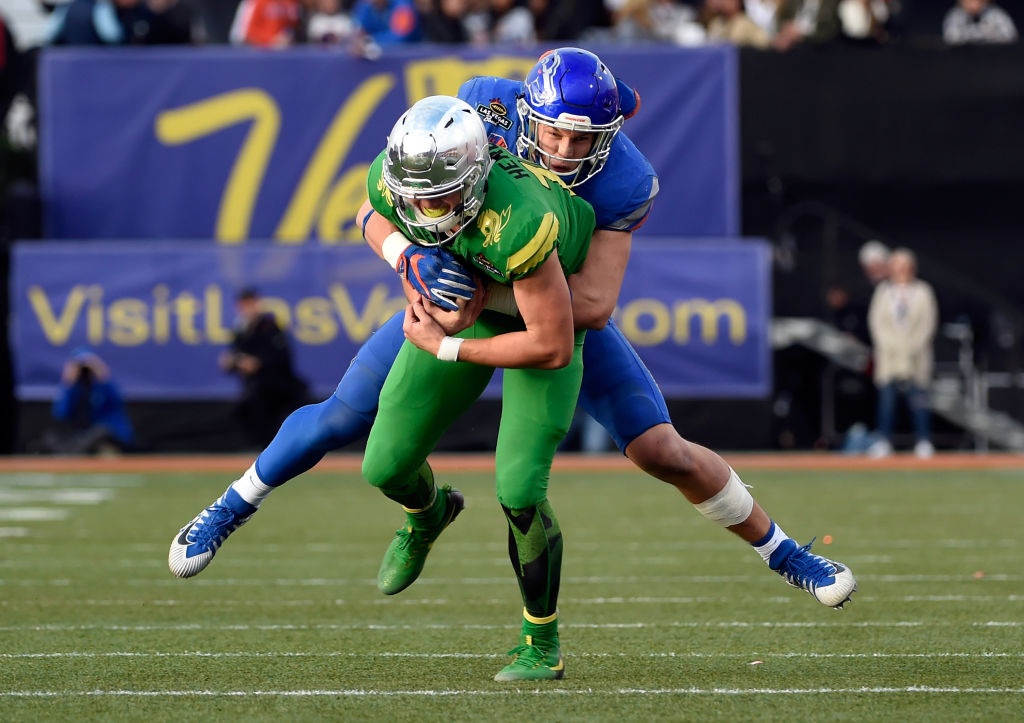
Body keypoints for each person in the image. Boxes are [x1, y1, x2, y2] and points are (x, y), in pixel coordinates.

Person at [170, 47, 855, 634]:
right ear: (525, 114)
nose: (562, 150)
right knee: (345, 417)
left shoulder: (626, 179)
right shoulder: (479, 111)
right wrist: (410, 263)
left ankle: (787, 552)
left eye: (581, 138)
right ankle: (239, 506)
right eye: (552, 131)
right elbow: (374, 209)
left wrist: (479, 291)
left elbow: (590, 303)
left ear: (609, 133)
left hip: (547, 314)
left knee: (659, 447)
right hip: (470, 298)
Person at [867, 248, 938, 458]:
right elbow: (876, 323)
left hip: (916, 357)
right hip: (890, 357)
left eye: (904, 268)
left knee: (919, 401)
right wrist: (892, 346)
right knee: (887, 402)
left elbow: (928, 323)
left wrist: (911, 347)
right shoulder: (883, 292)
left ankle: (924, 441)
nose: (900, 272)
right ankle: (884, 441)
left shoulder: (924, 291)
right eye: (896, 268)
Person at [220, 287, 310, 448]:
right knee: (242, 414)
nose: (248, 309)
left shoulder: (270, 326)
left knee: (270, 416)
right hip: (255, 388)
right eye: (244, 305)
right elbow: (237, 357)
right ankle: (260, 450)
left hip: (277, 386)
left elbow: (282, 357)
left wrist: (258, 362)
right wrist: (230, 363)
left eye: (251, 304)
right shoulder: (241, 330)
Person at [34, 347, 136, 455]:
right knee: (51, 437)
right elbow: (60, 413)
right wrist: (68, 383)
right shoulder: (74, 388)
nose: (85, 372)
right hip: (83, 434)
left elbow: (116, 400)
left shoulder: (103, 386)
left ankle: (80, 452)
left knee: (100, 432)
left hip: (109, 433)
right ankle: (75, 452)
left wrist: (102, 375)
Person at [942, 0, 1018, 44]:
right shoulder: (955, 15)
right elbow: (951, 38)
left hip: (994, 60)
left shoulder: (997, 15)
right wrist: (985, 33)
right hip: (963, 60)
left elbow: (1010, 36)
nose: (974, 3)